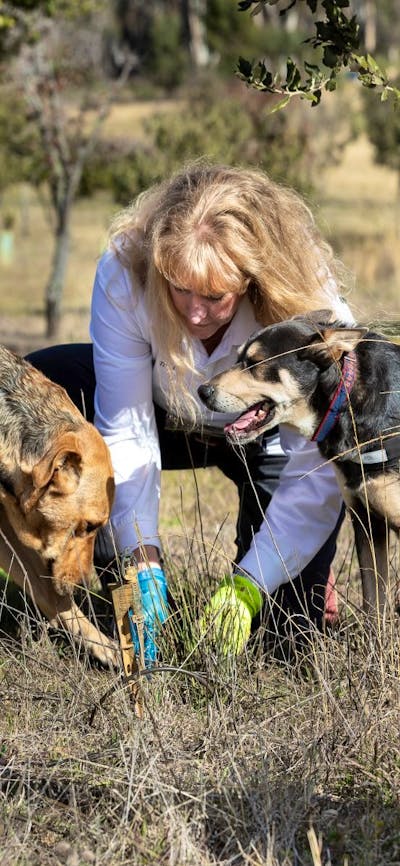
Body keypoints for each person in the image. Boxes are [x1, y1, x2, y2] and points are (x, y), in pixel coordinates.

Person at [28, 162, 351, 665]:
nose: (194, 313)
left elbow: (317, 464)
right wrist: (143, 556)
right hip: (166, 416)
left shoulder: (307, 294)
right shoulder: (124, 272)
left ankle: (300, 572)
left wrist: (252, 581)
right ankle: (127, 598)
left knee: (288, 638)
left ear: (250, 280)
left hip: (264, 437)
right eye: (180, 288)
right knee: (51, 381)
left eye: (215, 296)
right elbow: (125, 429)